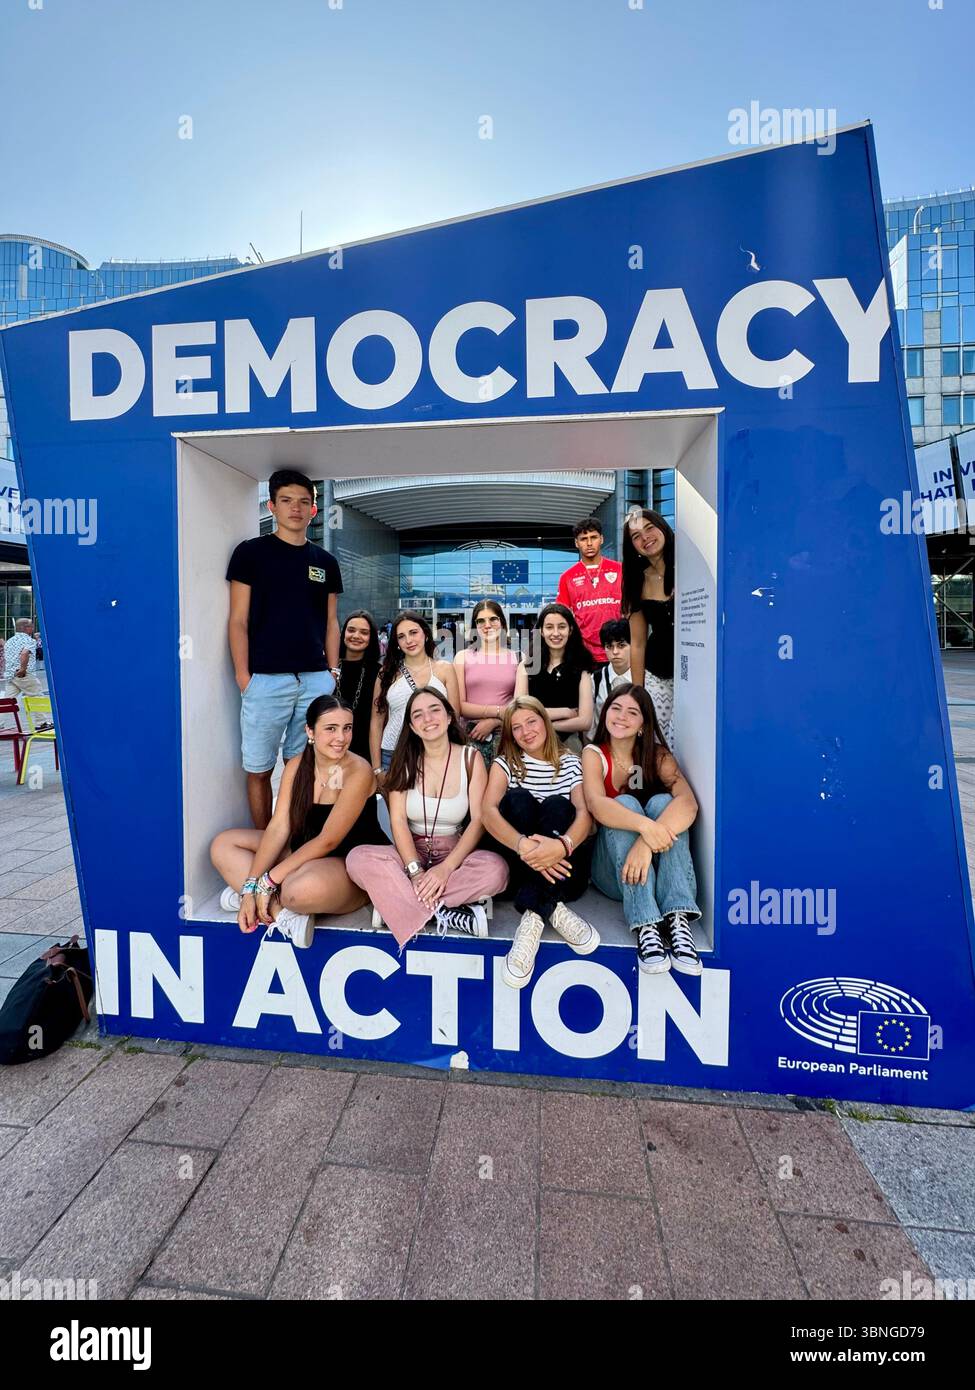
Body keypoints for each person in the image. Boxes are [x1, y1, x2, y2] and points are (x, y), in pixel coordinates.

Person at [210, 695, 385, 947]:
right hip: (303, 851)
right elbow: (279, 827)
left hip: (347, 862)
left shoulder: (359, 770)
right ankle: (279, 912)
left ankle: (262, 897)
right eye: (331, 729)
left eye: (347, 728)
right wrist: (251, 885)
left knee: (297, 889)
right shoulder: (296, 765)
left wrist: (268, 881)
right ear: (309, 731)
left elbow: (328, 840)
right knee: (224, 845)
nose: (341, 738)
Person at [346, 687, 509, 947]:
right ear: (411, 725)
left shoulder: (470, 758)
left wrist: (445, 869)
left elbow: (479, 821)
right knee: (358, 859)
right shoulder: (404, 760)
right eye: (418, 715)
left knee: (496, 870)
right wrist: (414, 871)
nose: (428, 719)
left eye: (435, 710)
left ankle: (398, 907)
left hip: (455, 852)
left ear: (448, 717)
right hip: (411, 851)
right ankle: (444, 912)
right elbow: (398, 821)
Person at [227, 469, 342, 829]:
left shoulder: (325, 562)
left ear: (313, 510)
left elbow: (331, 623)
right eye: (287, 501)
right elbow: (237, 620)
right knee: (259, 768)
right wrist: (244, 677)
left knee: (304, 766)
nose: (296, 508)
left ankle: (297, 840)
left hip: (314, 681)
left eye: (304, 502)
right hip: (265, 681)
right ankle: (265, 844)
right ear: (271, 506)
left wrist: (332, 673)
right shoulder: (250, 554)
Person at [582, 682, 701, 975]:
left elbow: (689, 804)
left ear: (643, 724)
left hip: (654, 869)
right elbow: (598, 805)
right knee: (624, 802)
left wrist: (645, 843)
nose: (621, 716)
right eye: (616, 708)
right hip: (613, 872)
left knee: (664, 802)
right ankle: (646, 923)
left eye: (632, 712)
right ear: (605, 712)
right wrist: (645, 828)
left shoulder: (657, 756)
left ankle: (676, 918)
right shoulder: (594, 754)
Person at [482, 696, 598, 989]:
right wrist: (524, 846)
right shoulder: (505, 763)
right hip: (519, 864)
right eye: (517, 727)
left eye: (531, 721)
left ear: (545, 723)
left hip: (564, 866)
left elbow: (585, 814)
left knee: (559, 806)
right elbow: (488, 811)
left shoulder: (572, 762)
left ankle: (533, 916)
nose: (526, 731)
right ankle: (549, 909)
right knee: (519, 800)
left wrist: (561, 847)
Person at [369, 610, 459, 779]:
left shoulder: (445, 669)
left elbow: (454, 716)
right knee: (397, 807)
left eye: (413, 632)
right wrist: (377, 769)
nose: (408, 640)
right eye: (401, 636)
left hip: (436, 753)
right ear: (396, 642)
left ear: (425, 634)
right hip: (393, 754)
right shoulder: (387, 673)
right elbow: (376, 722)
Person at [622, 508, 675, 745]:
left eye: (649, 528)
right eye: (636, 536)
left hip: (697, 672)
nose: (645, 538)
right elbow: (638, 643)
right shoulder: (637, 580)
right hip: (658, 673)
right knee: (657, 741)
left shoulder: (690, 566)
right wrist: (638, 693)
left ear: (662, 527)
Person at [514, 603, 593, 751]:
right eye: (549, 627)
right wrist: (565, 712)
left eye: (562, 627)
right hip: (531, 743)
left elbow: (585, 721)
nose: (555, 633)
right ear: (541, 631)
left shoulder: (582, 668)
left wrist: (544, 724)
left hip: (569, 745)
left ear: (570, 630)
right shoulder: (526, 665)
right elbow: (519, 710)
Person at [453, 599, 520, 769]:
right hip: (471, 736)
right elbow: (459, 706)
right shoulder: (462, 657)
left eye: (493, 619)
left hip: (507, 735)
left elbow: (520, 706)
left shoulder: (518, 658)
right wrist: (499, 712)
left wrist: (493, 722)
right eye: (480, 621)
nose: (487, 625)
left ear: (503, 623)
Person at [556, 517, 623, 666]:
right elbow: (562, 617)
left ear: (602, 539)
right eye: (583, 539)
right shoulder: (567, 577)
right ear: (576, 543)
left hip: (618, 651)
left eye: (593, 537)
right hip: (584, 653)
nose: (589, 543)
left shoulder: (620, 570)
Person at [588, 617, 648, 740]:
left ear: (633, 645)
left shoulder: (646, 677)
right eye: (609, 646)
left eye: (621, 645)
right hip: (604, 744)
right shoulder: (596, 679)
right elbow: (592, 723)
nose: (615, 652)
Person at [337, 610, 381, 760]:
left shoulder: (380, 673)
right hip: (331, 747)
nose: (356, 636)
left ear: (371, 638)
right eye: (351, 630)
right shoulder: (329, 668)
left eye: (364, 632)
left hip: (365, 752)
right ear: (343, 634)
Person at [4, 619, 43, 701]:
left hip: (11, 675)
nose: (33, 628)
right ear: (25, 628)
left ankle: (5, 713)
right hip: (24, 674)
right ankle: (40, 714)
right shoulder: (29, 640)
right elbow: (24, 653)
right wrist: (22, 669)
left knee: (8, 701)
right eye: (31, 626)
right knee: (37, 698)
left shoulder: (9, 641)